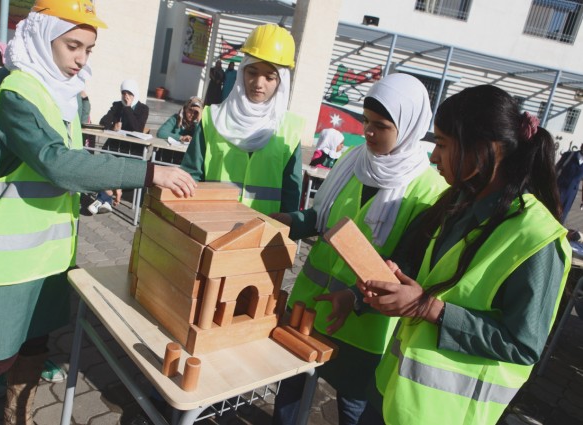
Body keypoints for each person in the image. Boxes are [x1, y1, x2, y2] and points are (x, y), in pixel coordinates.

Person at [0, 2, 196, 423]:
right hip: (6, 259)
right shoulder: (16, 91)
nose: (80, 58)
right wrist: (147, 171)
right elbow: (55, 161)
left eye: (89, 48)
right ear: (42, 38)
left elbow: (60, 165)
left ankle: (17, 417)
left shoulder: (56, 92)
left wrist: (93, 183)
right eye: (72, 45)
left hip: (46, 253)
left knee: (33, 345)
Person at [357, 85, 571, 425]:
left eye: (442, 144)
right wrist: (398, 281)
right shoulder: (459, 203)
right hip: (390, 394)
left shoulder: (537, 238)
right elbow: (435, 283)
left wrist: (426, 307)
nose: (433, 156)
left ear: (486, 149)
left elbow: (522, 344)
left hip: (445, 415)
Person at [271, 73, 448, 425]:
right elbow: (322, 218)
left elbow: (407, 264)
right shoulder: (354, 161)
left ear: (411, 127)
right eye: (365, 121)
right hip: (309, 305)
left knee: (354, 406)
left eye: (381, 126)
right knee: (290, 390)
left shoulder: (428, 189)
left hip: (364, 326)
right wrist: (285, 221)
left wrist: (353, 296)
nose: (368, 132)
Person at [181, 24, 305, 215]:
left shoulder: (290, 129)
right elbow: (190, 177)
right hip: (211, 227)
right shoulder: (212, 118)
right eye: (252, 72)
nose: (258, 83)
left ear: (281, 81)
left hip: (260, 235)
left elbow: (291, 196)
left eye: (269, 77)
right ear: (242, 72)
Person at [90, 79, 150, 214]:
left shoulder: (143, 109)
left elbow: (137, 128)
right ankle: (107, 198)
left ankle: (104, 198)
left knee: (114, 167)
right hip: (115, 145)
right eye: (123, 93)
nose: (126, 96)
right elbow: (103, 122)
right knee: (105, 163)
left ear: (135, 94)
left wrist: (128, 108)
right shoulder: (117, 105)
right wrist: (113, 126)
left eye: (129, 93)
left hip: (132, 148)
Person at [555, 145, 583, 222]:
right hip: (558, 189)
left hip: (570, 194)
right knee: (550, 211)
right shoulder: (569, 155)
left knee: (561, 216)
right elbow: (556, 169)